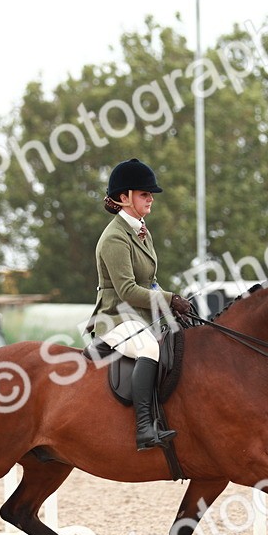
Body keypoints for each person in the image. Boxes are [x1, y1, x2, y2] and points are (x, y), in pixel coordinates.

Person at [88, 158, 193, 451]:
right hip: (115, 318)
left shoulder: (142, 231)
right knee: (149, 348)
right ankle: (144, 427)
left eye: (150, 195)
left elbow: (151, 281)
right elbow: (127, 290)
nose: (151, 199)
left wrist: (172, 305)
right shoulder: (114, 237)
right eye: (145, 194)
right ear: (125, 198)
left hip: (142, 317)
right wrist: (169, 299)